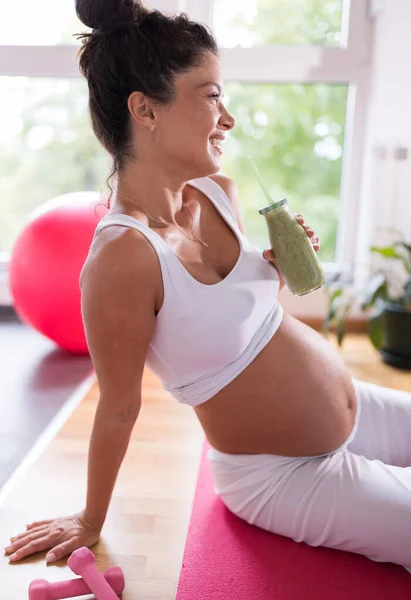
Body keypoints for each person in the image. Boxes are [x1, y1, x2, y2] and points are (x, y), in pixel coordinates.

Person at [5, 0, 411, 574]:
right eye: (212, 95)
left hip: (357, 408)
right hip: (280, 472)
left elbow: (240, 321)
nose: (229, 117)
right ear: (145, 110)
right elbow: (118, 409)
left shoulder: (218, 191)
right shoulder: (121, 258)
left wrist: (278, 264)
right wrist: (91, 519)